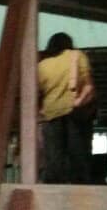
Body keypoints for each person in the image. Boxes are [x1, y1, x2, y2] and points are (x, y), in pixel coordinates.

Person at [37, 31, 96, 184]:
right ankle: (80, 187)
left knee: (54, 156)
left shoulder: (42, 65)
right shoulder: (77, 56)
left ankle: (54, 187)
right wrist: (80, 101)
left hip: (51, 114)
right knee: (78, 154)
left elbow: (37, 91)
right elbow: (88, 85)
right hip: (75, 112)